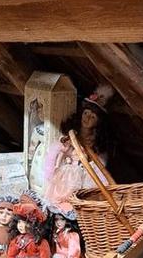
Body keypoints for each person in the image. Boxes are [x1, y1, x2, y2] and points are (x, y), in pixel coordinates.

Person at [42, 84, 113, 212]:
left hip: (86, 175)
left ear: (98, 122)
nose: (87, 118)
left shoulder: (96, 141)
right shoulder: (72, 135)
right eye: (86, 114)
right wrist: (53, 169)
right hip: (69, 174)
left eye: (92, 117)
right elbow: (57, 151)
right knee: (62, 197)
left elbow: (100, 164)